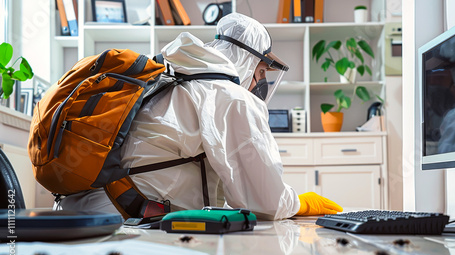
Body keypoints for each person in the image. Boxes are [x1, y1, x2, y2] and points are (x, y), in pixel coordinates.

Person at [58, 13, 342, 220]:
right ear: (248, 59)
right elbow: (266, 202)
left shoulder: (171, 77)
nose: (260, 81)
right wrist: (300, 204)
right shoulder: (231, 97)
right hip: (125, 222)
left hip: (85, 211)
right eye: (262, 70)